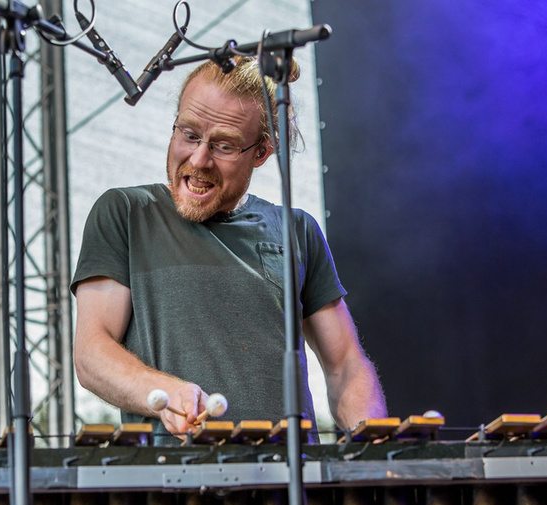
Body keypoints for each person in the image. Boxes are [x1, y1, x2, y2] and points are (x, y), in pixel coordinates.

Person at [70, 56, 386, 443]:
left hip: (289, 486)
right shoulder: (125, 214)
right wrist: (164, 391)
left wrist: (371, 441)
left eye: (223, 146)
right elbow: (91, 353)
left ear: (262, 152)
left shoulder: (297, 230)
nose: (199, 159)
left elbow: (346, 366)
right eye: (189, 135)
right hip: (174, 488)